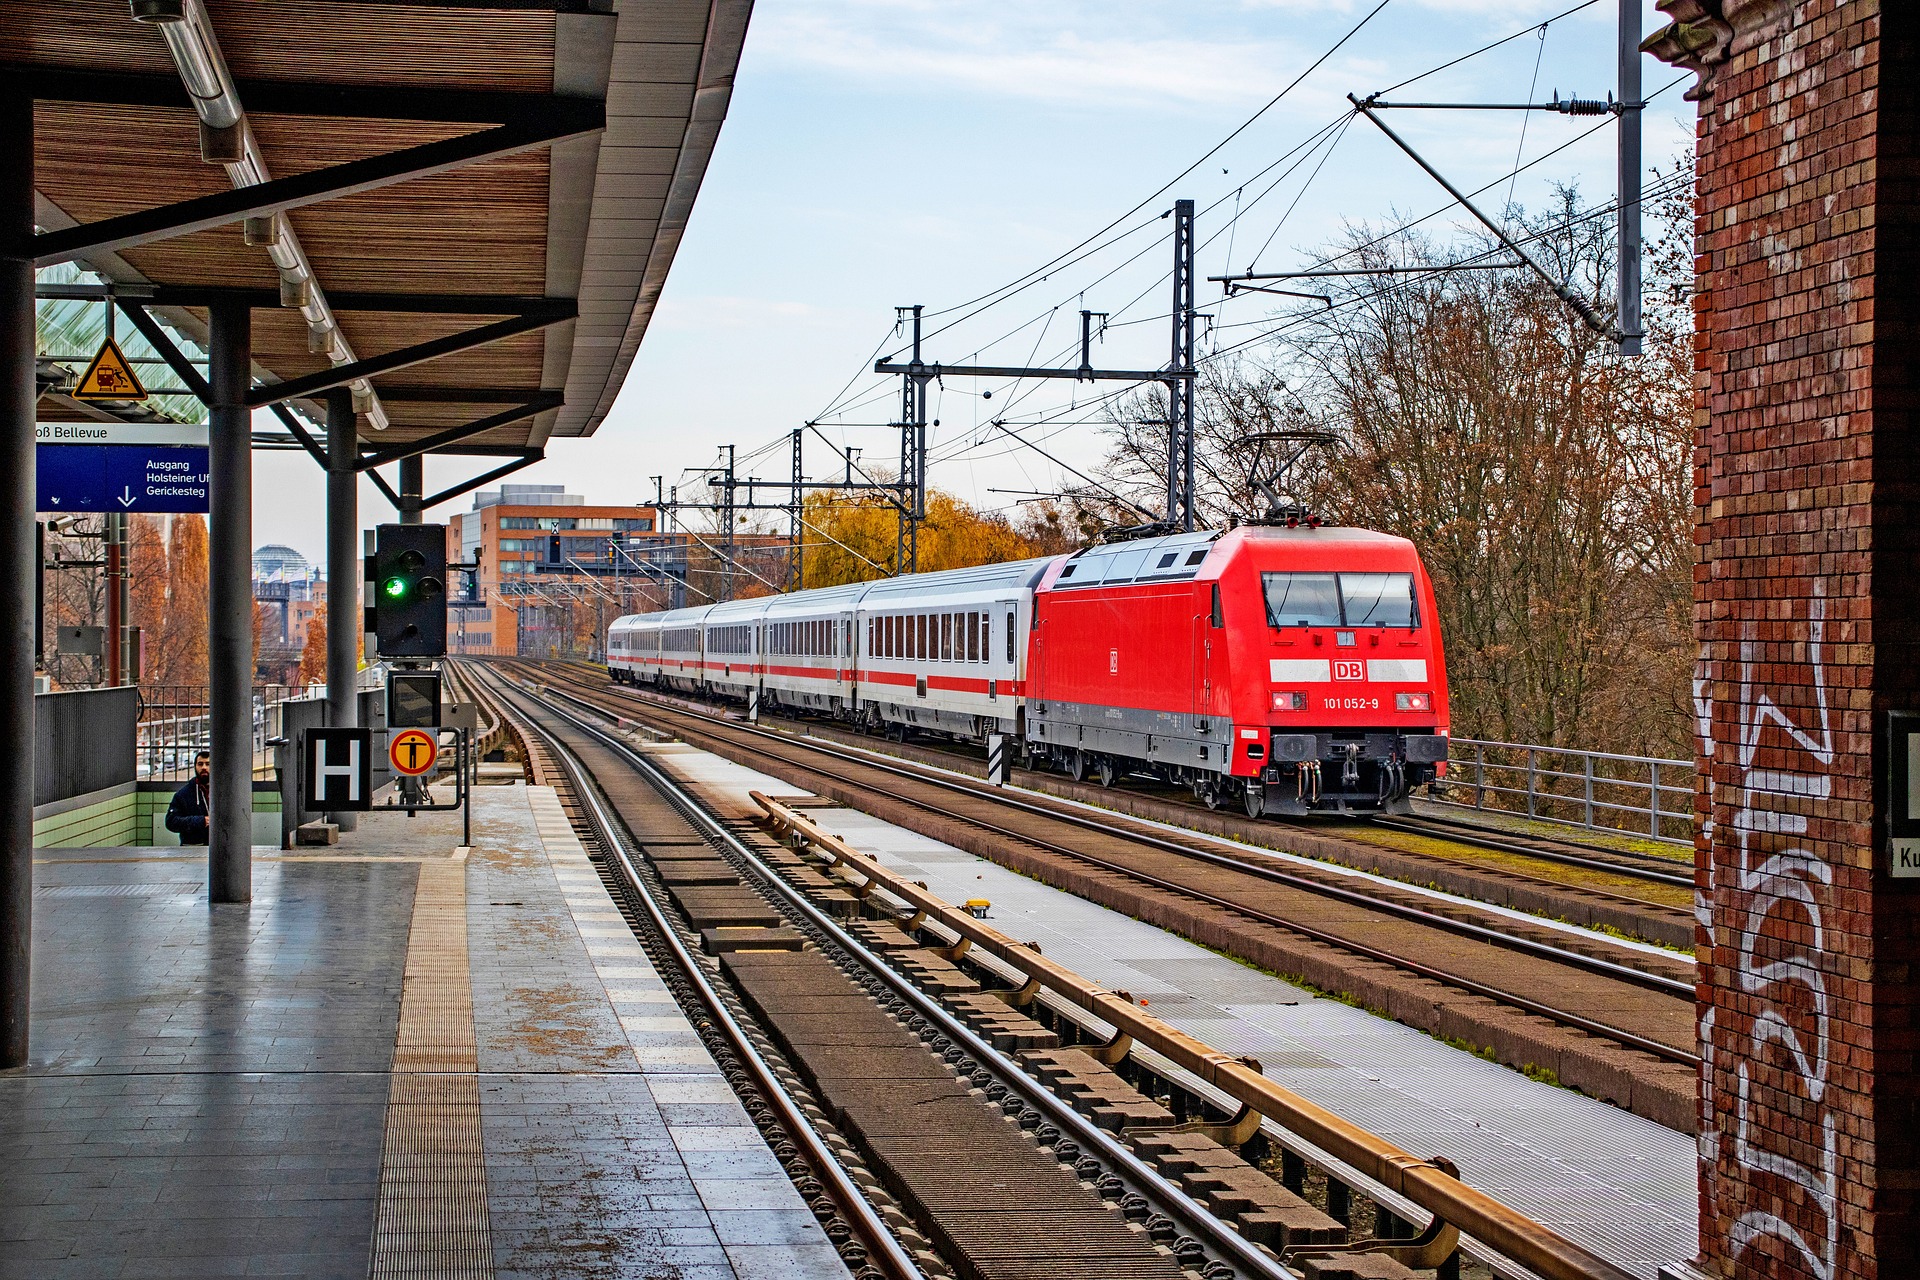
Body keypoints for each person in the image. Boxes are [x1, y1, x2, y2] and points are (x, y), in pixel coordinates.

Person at [166, 751, 211, 846]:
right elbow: (171, 822)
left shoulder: (225, 793)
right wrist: (200, 821)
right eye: (200, 764)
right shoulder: (184, 794)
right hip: (193, 847)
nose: (204, 767)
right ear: (195, 766)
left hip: (220, 847)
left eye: (208, 764)